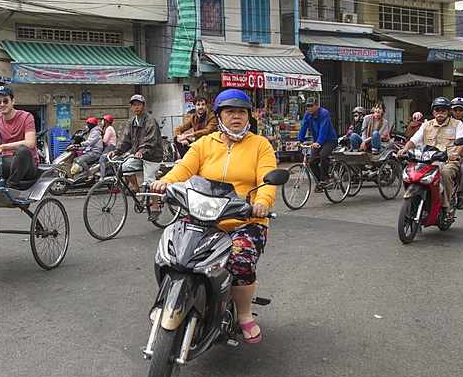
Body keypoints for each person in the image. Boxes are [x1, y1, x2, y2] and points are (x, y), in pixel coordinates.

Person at [149, 89, 276, 344]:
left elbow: (267, 180)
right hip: (202, 218)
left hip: (245, 220)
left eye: (241, 112)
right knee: (173, 251)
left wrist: (261, 203)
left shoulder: (260, 145)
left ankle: (243, 313)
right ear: (219, 116)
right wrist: (165, 182)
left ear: (249, 116)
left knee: (240, 261)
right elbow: (184, 168)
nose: (236, 117)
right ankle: (165, 300)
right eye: (229, 112)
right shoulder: (204, 143)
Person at [397, 97, 463, 213]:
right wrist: (405, 149)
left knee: (445, 173)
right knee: (413, 173)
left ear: (448, 111)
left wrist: (455, 153)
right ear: (433, 111)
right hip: (428, 160)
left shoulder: (457, 124)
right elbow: (414, 140)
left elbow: (461, 141)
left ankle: (446, 205)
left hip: (448, 160)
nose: (440, 113)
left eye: (443, 110)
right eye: (437, 110)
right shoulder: (426, 125)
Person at [116, 94, 163, 221]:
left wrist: (142, 151)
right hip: (138, 156)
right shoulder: (132, 121)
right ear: (131, 107)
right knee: (125, 166)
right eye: (134, 105)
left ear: (144, 106)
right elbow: (125, 140)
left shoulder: (150, 121)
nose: (136, 107)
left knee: (149, 181)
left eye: (138, 105)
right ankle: (136, 188)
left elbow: (150, 141)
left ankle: (155, 207)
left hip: (152, 156)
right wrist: (115, 152)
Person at [297, 97, 339, 187]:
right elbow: (303, 127)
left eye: (311, 106)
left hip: (329, 140)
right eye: (307, 106)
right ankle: (320, 182)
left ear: (317, 105)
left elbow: (323, 129)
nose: (309, 108)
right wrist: (299, 140)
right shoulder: (307, 114)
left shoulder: (324, 113)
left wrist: (319, 142)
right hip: (317, 141)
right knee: (312, 162)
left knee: (323, 155)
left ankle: (325, 179)